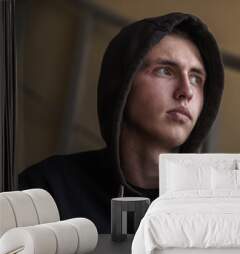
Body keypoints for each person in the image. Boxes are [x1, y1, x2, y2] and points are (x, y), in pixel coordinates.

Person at [18, 13, 224, 233]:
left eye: (196, 78)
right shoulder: (48, 190)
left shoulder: (220, 208)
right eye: (165, 71)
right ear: (123, 85)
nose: (186, 91)